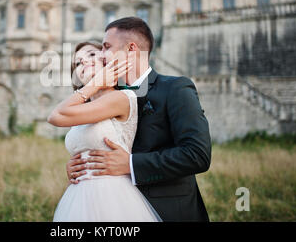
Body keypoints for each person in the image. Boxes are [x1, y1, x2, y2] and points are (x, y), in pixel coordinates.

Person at [65, 17, 212, 222]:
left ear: (131, 49)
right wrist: (81, 163)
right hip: (111, 211)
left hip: (169, 211)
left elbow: (197, 155)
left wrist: (131, 164)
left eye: (106, 47)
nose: (101, 54)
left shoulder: (175, 88)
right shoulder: (107, 96)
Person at [48, 41, 162, 222]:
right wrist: (74, 166)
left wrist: (96, 84)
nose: (84, 62)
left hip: (112, 197)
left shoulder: (121, 97)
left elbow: (55, 115)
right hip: (78, 197)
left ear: (109, 63)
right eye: (77, 63)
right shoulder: (83, 109)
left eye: (92, 55)